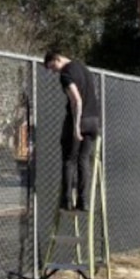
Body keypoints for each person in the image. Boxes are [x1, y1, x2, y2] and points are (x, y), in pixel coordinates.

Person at [43, 46, 100, 212]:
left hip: (79, 120)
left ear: (57, 59)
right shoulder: (83, 68)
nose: (54, 72)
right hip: (93, 120)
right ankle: (83, 201)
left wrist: (76, 126)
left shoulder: (66, 74)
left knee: (69, 160)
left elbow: (77, 100)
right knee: (83, 160)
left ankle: (67, 200)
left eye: (52, 67)